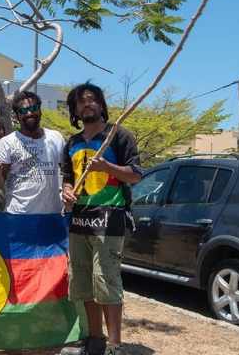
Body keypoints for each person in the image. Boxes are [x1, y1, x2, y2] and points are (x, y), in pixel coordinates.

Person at [60, 83, 142, 355]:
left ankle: (115, 346)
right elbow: (68, 178)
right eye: (80, 102)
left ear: (101, 105)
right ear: (74, 110)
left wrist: (107, 166)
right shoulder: (72, 143)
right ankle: (95, 341)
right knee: (83, 284)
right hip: (79, 221)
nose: (87, 104)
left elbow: (135, 175)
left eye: (92, 99)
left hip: (109, 218)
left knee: (107, 282)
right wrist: (66, 190)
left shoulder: (118, 136)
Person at [0, 91, 65, 214]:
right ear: (17, 116)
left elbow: (67, 172)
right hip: (18, 216)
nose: (30, 113)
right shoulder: (6, 142)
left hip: (52, 216)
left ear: (40, 111)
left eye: (34, 108)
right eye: (23, 111)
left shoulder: (56, 137)